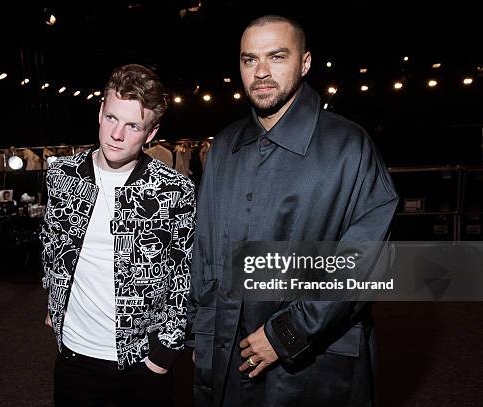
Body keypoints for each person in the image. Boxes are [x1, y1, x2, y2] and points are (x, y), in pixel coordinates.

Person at [187, 15, 399, 406]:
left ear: (304, 63)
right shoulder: (225, 146)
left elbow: (365, 262)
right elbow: (206, 253)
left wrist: (285, 334)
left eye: (277, 56)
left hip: (314, 367)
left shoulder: (349, 146)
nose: (261, 72)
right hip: (230, 358)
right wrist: (201, 332)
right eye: (249, 60)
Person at [40, 64, 196, 407]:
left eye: (133, 125)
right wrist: (52, 299)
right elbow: (52, 242)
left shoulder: (172, 190)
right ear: (99, 112)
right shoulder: (61, 175)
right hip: (73, 356)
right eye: (111, 118)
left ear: (151, 133)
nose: (117, 134)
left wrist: (164, 353)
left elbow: (185, 274)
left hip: (140, 363)